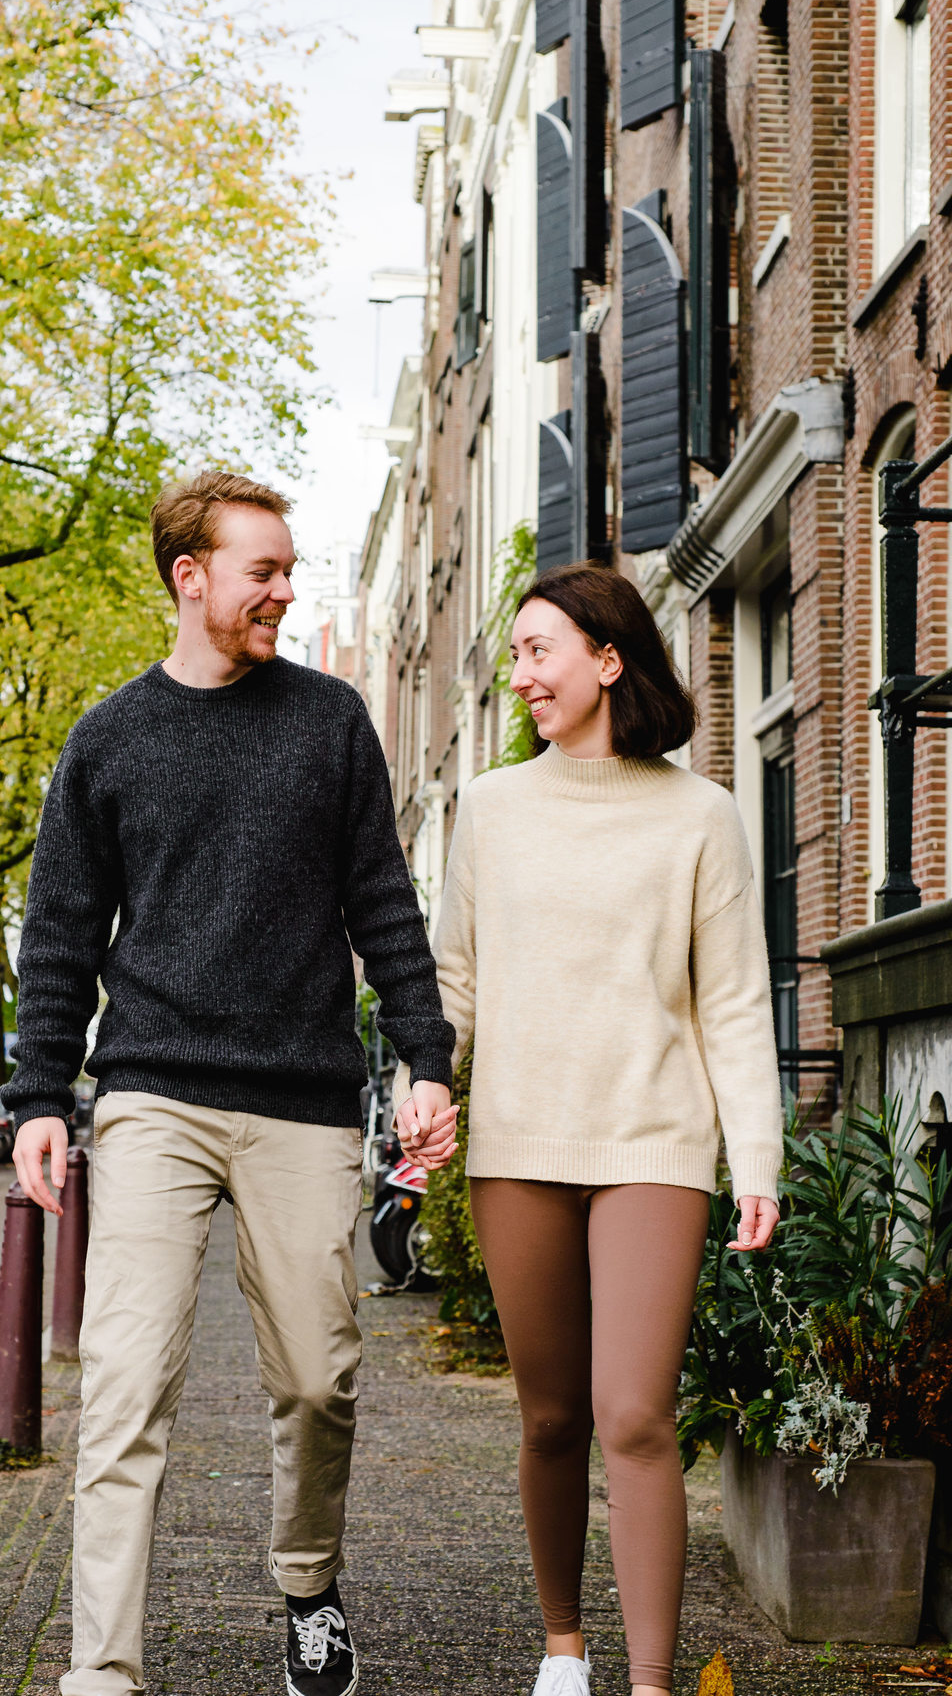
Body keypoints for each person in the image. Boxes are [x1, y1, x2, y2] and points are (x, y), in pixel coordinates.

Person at [2, 470, 458, 1696]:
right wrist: (40, 1095)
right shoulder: (107, 740)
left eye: (289, 569)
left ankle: (306, 1582)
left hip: (301, 1098)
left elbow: (383, 905)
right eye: (262, 571)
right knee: (125, 1380)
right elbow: (60, 934)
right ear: (188, 577)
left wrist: (425, 1054)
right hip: (150, 1091)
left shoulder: (330, 722)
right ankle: (102, 1667)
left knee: (319, 1377)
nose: (284, 591)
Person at [392, 563, 783, 1696]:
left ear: (608, 660)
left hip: (654, 1143)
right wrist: (430, 1083)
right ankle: (565, 1648)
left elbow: (735, 1002)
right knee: (554, 1414)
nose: (520, 675)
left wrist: (753, 1157)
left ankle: (650, 1681)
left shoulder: (701, 816)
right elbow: (452, 978)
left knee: (634, 1413)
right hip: (518, 1147)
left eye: (537, 651)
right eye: (513, 655)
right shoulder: (493, 809)